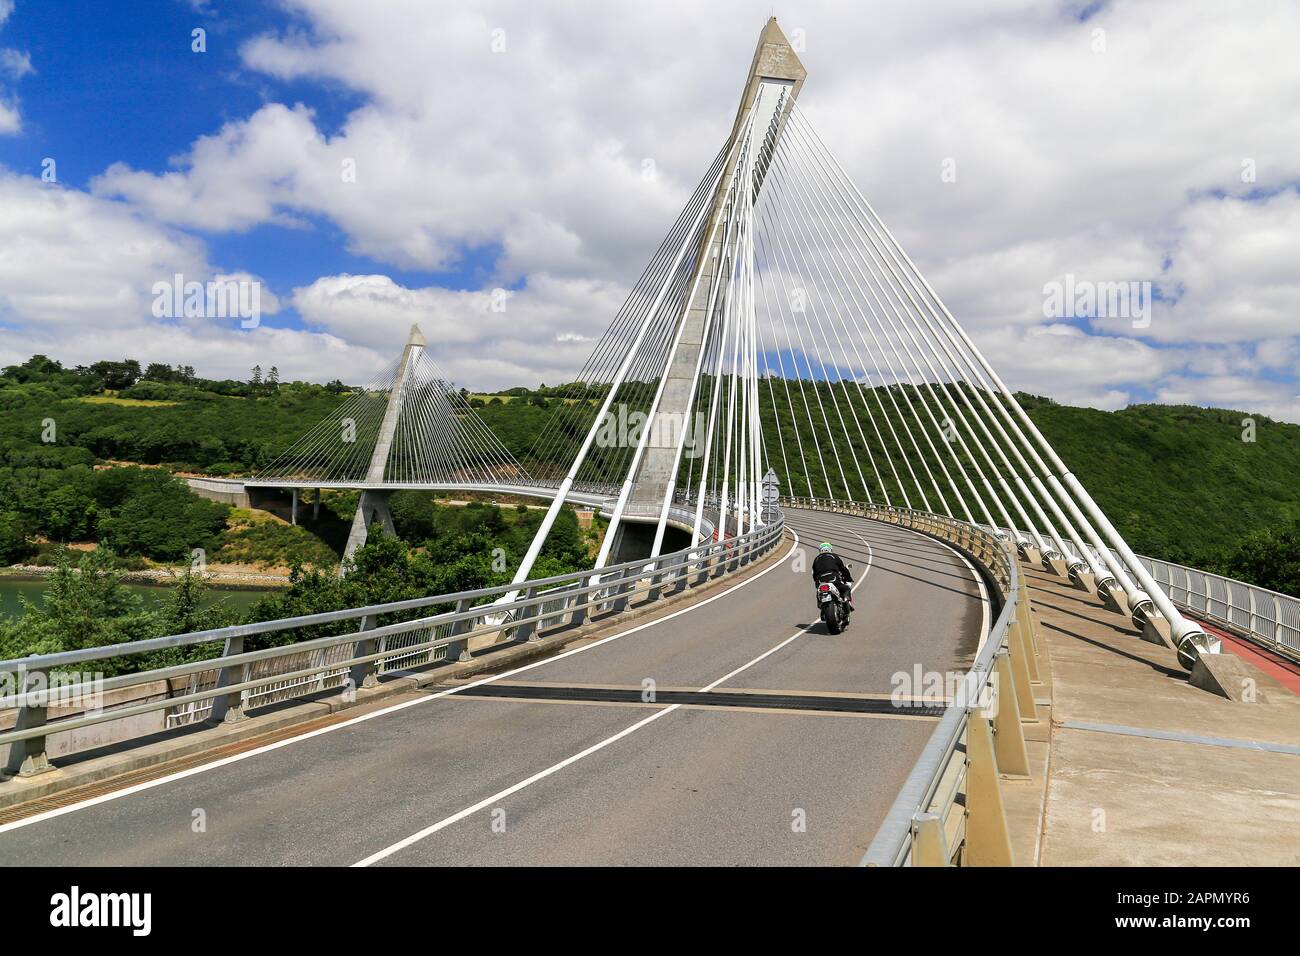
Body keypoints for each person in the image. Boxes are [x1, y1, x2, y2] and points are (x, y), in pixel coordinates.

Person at [811, 541, 853, 610]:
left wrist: (817, 582)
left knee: (818, 592)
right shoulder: (834, 556)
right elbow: (843, 569)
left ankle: (820, 605)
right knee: (846, 589)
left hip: (820, 582)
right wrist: (848, 578)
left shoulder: (816, 559)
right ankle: (846, 601)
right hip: (833, 579)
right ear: (830, 549)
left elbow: (814, 574)